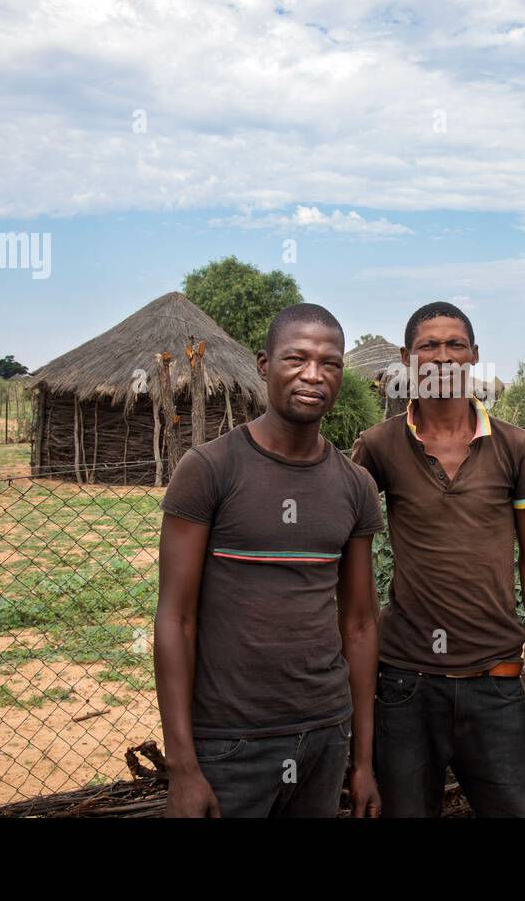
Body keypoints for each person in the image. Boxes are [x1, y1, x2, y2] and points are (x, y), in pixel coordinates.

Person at [155, 303, 383, 817]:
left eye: (330, 363)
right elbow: (175, 618)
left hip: (325, 733)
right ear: (263, 364)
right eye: (296, 358)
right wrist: (184, 767)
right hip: (230, 742)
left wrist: (362, 760)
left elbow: (362, 624)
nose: (313, 375)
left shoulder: (355, 486)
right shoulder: (209, 470)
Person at [351, 301, 525, 817]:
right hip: (404, 685)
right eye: (429, 345)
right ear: (407, 358)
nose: (442, 356)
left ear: (474, 356)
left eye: (455, 344)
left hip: (496, 680)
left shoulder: (515, 446)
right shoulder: (377, 447)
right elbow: (346, 539)